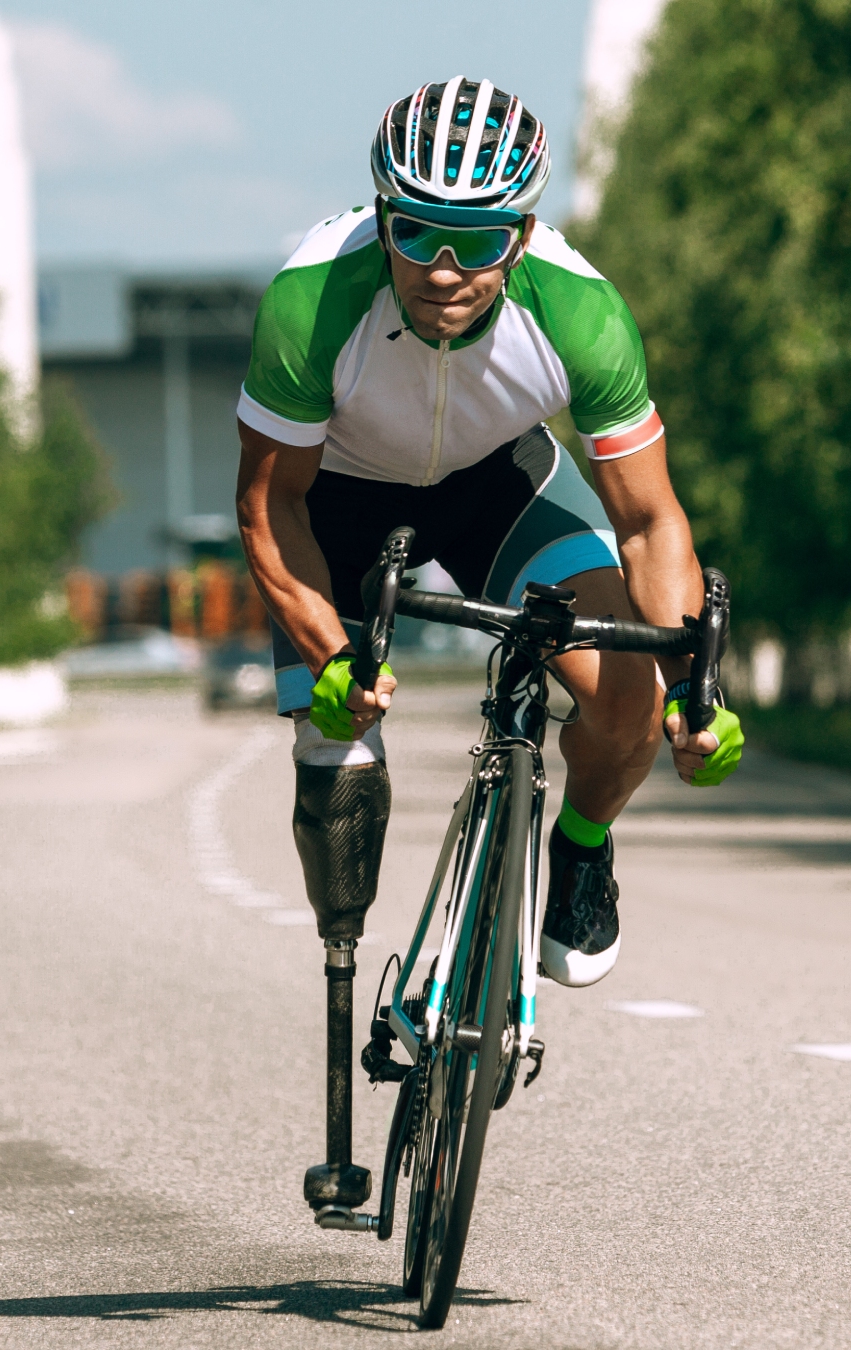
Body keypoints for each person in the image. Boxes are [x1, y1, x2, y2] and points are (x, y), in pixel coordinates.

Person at [235, 77, 743, 989]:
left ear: (523, 238)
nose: (441, 269)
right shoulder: (311, 301)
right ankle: (347, 1005)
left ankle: (583, 847)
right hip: (337, 508)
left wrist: (688, 690)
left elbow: (648, 518)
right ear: (383, 215)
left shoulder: (582, 315)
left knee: (621, 698)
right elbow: (270, 507)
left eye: (476, 242)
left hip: (494, 487)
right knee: (342, 768)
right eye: (416, 232)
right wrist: (327, 656)